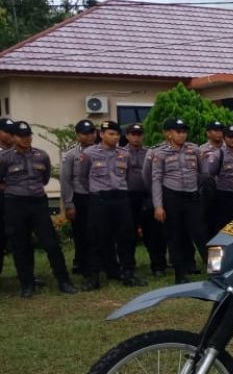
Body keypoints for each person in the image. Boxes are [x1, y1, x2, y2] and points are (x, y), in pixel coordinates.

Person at [0, 121, 78, 296]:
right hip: (15, 204)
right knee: (21, 245)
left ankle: (64, 281)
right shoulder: (5, 157)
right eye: (21, 136)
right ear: (13, 137)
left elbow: (44, 178)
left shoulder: (41, 156)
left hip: (38, 203)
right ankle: (27, 285)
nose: (26, 139)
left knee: (51, 243)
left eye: (28, 135)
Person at [78, 120, 145, 289]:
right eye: (111, 134)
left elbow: (128, 176)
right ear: (101, 134)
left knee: (126, 238)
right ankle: (93, 277)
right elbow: (83, 177)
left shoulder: (124, 154)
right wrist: (97, 191)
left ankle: (128, 273)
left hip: (121, 199)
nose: (115, 137)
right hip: (99, 200)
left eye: (116, 134)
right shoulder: (89, 153)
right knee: (96, 239)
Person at [151, 118, 207, 284]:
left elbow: (203, 172)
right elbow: (155, 179)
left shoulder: (194, 149)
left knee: (201, 234)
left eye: (184, 131)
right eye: (178, 131)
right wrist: (158, 206)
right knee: (175, 236)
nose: (182, 135)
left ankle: (215, 269)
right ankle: (180, 274)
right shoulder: (160, 153)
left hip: (192, 196)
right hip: (172, 196)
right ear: (168, 133)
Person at [125, 123, 168, 276]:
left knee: (154, 233)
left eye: (139, 134)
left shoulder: (151, 152)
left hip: (148, 195)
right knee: (128, 233)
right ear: (127, 136)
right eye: (133, 134)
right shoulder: (121, 153)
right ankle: (128, 266)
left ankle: (158, 265)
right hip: (129, 197)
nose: (136, 137)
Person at [60, 119, 98, 275]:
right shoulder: (70, 154)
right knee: (81, 233)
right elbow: (65, 180)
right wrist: (69, 204)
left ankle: (99, 263)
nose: (89, 136)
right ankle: (81, 263)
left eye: (92, 132)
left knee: (99, 232)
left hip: (98, 197)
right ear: (77, 135)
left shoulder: (102, 151)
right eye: (85, 133)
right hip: (80, 198)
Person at [203, 124, 233, 235]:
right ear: (224, 138)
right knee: (225, 229)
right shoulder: (218, 154)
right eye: (230, 137)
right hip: (225, 197)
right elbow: (210, 173)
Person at [0, 117, 14, 277]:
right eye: (7, 132)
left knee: (20, 238)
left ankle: (27, 275)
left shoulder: (21, 152)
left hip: (17, 202)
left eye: (13, 132)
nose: (11, 135)